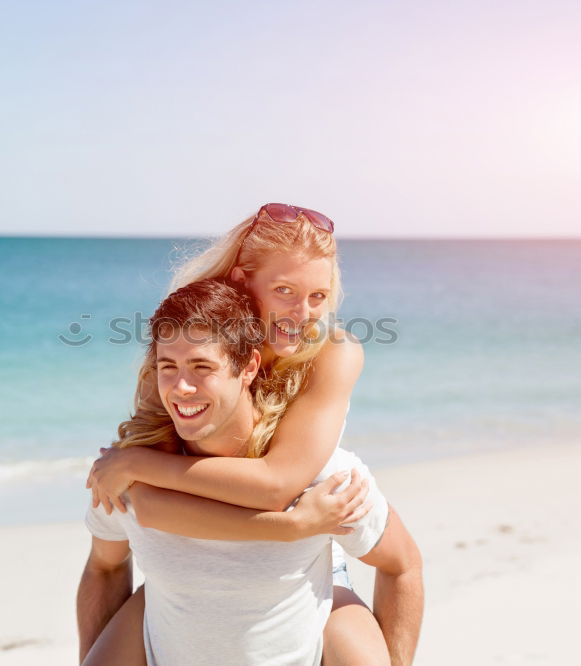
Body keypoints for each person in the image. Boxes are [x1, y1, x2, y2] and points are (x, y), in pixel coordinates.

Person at [86, 204, 424, 664]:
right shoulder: (188, 347)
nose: (303, 313)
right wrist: (134, 468)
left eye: (318, 296)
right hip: (186, 570)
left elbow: (278, 485)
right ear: (243, 281)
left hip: (302, 550)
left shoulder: (331, 352)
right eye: (284, 290)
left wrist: (135, 465)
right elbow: (144, 504)